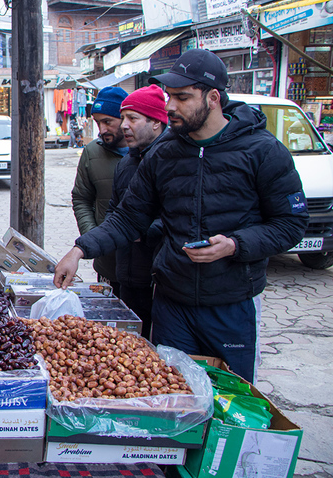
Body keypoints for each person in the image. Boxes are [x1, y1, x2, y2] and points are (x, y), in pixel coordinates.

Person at [54, 49, 309, 382]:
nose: (170, 105)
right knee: (174, 397)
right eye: (169, 96)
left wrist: (234, 244)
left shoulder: (262, 151)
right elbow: (128, 216)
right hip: (172, 303)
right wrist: (80, 250)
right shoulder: (164, 154)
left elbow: (291, 224)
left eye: (182, 97)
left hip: (231, 303)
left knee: (231, 399)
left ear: (213, 98)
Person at [106, 85, 169, 340]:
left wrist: (140, 233)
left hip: (160, 278)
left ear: (156, 122)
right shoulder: (126, 164)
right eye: (123, 118)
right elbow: (114, 209)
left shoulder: (172, 161)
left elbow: (178, 216)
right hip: (126, 274)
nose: (124, 126)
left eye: (132, 118)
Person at [71, 86, 129, 293]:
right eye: (97, 122)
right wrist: (93, 237)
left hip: (144, 262)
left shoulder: (148, 151)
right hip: (107, 261)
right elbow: (81, 198)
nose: (102, 129)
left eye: (108, 122)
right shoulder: (91, 152)